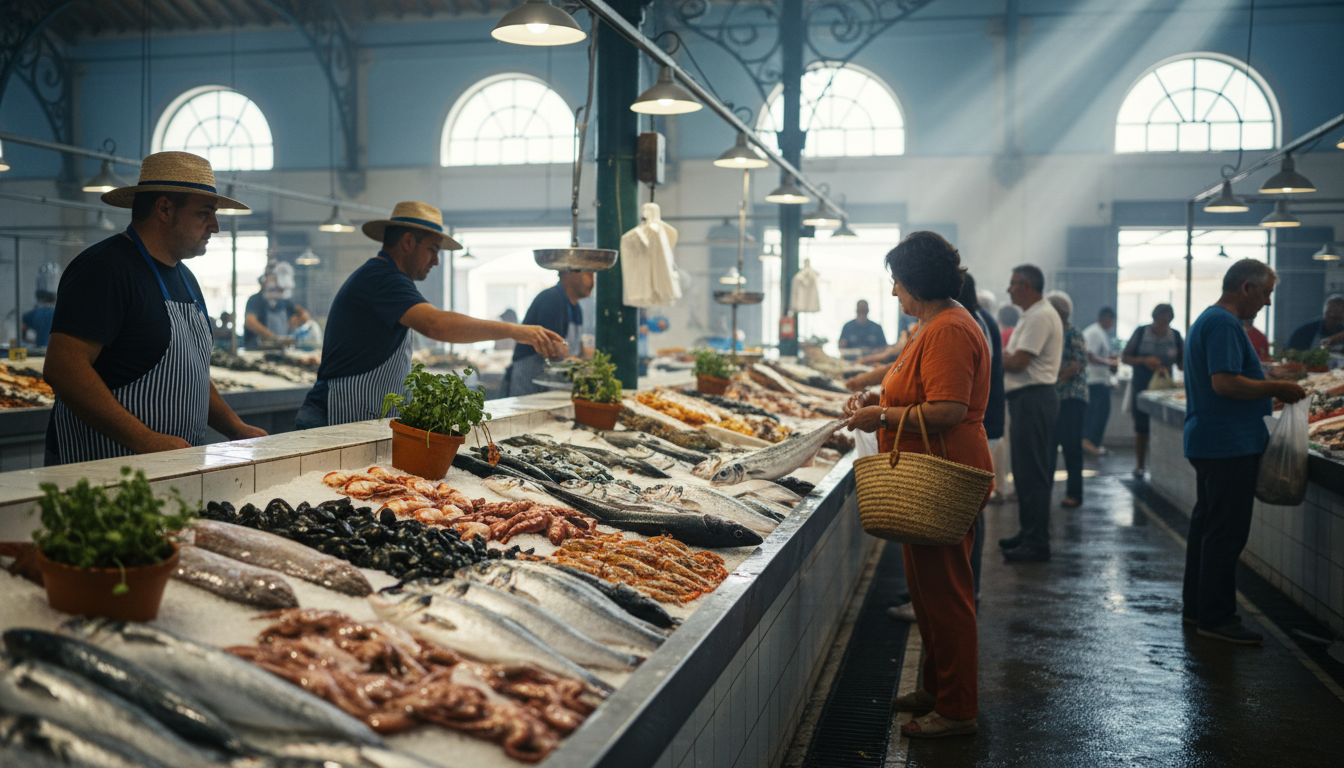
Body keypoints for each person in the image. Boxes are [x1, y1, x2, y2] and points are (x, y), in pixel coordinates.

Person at [844, 230, 990, 738]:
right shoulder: (931, 324)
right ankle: (936, 686)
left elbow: (949, 408)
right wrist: (874, 400)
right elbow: (911, 387)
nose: (893, 294)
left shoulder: (949, 328)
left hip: (943, 473)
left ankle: (957, 709)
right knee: (926, 594)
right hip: (921, 471)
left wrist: (881, 417)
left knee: (948, 595)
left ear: (918, 283)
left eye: (898, 284)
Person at [43, 151, 267, 464]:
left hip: (169, 475)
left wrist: (236, 428)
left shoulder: (186, 278)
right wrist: (145, 440)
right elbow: (64, 368)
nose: (215, 226)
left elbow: (194, 373)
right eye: (205, 213)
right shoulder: (104, 269)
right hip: (102, 477)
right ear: (164, 209)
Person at [296, 202, 565, 428]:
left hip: (355, 414)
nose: (436, 260)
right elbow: (436, 325)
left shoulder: (387, 278)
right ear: (408, 241)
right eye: (433, 249)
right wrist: (515, 330)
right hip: (333, 414)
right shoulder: (383, 278)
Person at [1184, 259, 1307, 644]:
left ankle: (1196, 609)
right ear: (1246, 288)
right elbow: (1224, 383)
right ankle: (1217, 618)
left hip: (1214, 440)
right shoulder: (1223, 323)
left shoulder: (1211, 320)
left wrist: (1265, 378)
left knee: (1207, 527)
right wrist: (1275, 390)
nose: (1268, 302)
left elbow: (1233, 376)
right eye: (1266, 293)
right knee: (1225, 533)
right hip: (1227, 445)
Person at [998, 264, 1063, 563]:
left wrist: (993, 357)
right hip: (1026, 399)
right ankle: (1028, 532)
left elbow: (1019, 362)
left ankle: (1037, 542)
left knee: (1033, 473)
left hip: (1034, 399)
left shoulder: (1040, 316)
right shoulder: (1030, 314)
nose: (1009, 289)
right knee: (1023, 473)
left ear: (1028, 286)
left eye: (1013, 284)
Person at [501, 269, 595, 398]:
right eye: (588, 274)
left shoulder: (576, 308)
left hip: (550, 385)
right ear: (570, 273)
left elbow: (575, 350)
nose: (592, 281)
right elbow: (555, 352)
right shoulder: (552, 299)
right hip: (529, 381)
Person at [1121, 303, 1183, 479]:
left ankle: (1162, 466)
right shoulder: (1141, 332)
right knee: (1141, 427)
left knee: (1164, 423)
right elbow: (1125, 357)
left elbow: (1182, 362)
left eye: (1167, 320)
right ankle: (1140, 464)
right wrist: (1144, 360)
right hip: (1142, 383)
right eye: (1161, 319)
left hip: (1164, 385)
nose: (1164, 323)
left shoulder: (1175, 336)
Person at [1047, 291, 1087, 508]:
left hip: (1072, 398)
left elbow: (1076, 365)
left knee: (1071, 447)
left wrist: (1054, 381)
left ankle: (1074, 493)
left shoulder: (1073, 333)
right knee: (1049, 447)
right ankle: (1046, 491)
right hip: (1055, 398)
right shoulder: (1052, 331)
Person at [1082, 307, 1117, 456]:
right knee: (1097, 413)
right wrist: (1109, 362)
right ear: (1107, 318)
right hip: (1094, 381)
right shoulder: (1095, 332)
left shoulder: (1101, 333)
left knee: (1101, 412)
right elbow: (1089, 355)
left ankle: (1093, 442)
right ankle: (1089, 441)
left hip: (1100, 380)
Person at [243, 270, 309, 350]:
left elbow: (304, 315)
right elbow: (250, 322)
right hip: (257, 350)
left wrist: (296, 320)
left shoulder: (284, 301)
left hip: (280, 350)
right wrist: (273, 338)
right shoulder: (255, 299)